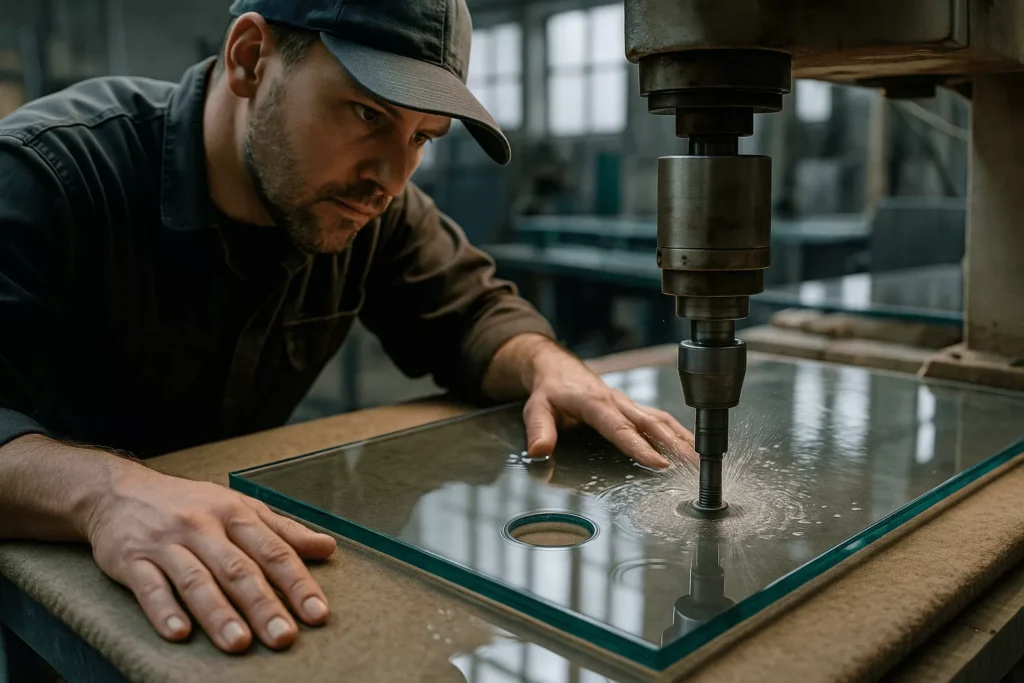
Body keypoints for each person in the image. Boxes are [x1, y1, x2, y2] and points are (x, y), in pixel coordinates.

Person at [0, 0, 695, 656]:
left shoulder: (368, 206)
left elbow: (475, 312)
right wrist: (104, 492)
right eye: (367, 113)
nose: (392, 177)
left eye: (422, 137)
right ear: (249, 59)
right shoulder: (48, 174)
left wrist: (550, 366)